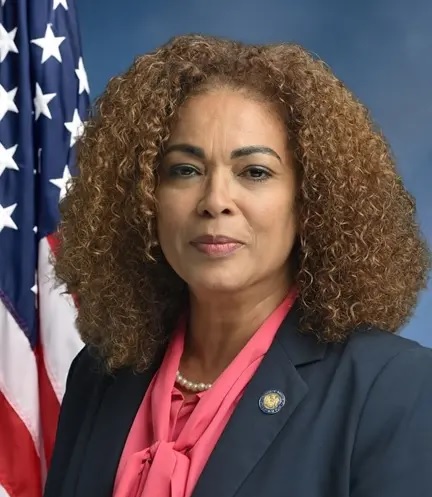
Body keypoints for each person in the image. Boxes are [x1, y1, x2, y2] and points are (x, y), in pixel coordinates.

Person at [43, 34, 432, 497]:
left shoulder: (394, 387)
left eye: (255, 172)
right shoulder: (99, 374)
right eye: (185, 170)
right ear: (144, 198)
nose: (215, 201)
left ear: (310, 201)